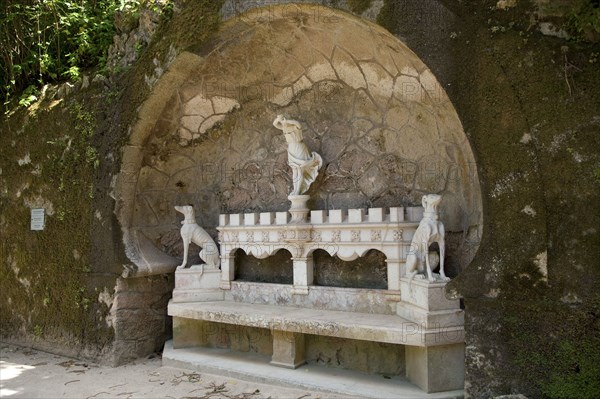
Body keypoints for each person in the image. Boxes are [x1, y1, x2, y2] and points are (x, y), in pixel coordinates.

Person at [273, 115, 323, 195]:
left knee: (300, 169)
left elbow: (297, 123)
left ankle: (298, 191)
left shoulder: (295, 127)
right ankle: (296, 189)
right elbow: (275, 124)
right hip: (291, 149)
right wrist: (278, 119)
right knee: (295, 170)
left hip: (299, 147)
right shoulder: (284, 128)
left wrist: (287, 121)